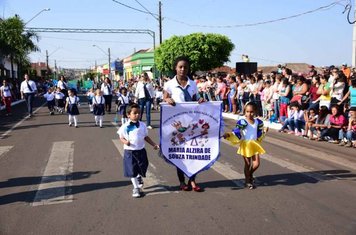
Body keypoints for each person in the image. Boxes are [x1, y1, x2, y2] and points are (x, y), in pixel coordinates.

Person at [163, 56, 205, 192]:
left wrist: (200, 99)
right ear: (175, 68)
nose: (183, 69)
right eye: (180, 67)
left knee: (193, 153)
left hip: (192, 123)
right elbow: (164, 99)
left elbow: (195, 99)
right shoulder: (169, 84)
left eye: (185, 67)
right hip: (177, 124)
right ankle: (182, 182)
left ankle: (192, 181)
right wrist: (168, 99)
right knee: (181, 154)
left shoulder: (193, 84)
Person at [117, 103, 159, 198]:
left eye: (139, 113)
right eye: (134, 113)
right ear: (128, 115)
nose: (137, 115)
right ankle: (136, 188)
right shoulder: (125, 126)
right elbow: (121, 137)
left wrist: (154, 144)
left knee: (143, 166)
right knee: (132, 170)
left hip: (141, 151)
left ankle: (139, 176)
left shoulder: (143, 125)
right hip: (130, 152)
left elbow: (145, 137)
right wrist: (125, 142)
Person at [223, 102, 267, 189]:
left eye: (251, 112)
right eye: (247, 111)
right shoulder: (242, 122)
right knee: (247, 163)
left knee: (256, 164)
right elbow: (236, 131)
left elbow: (258, 133)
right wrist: (228, 135)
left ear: (255, 112)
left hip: (254, 144)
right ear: (244, 111)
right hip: (246, 145)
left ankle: (249, 174)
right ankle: (247, 181)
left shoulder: (258, 122)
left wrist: (264, 131)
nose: (249, 114)